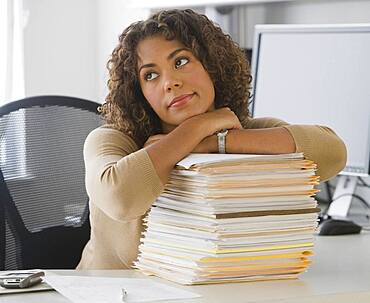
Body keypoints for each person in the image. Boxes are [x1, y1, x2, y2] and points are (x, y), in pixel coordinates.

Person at [77, 9, 346, 269]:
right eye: (150, 75)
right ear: (140, 93)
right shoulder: (112, 140)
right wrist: (196, 128)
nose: (169, 82)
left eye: (180, 61)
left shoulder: (243, 131)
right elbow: (119, 198)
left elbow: (332, 153)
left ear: (212, 64)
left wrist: (209, 143)